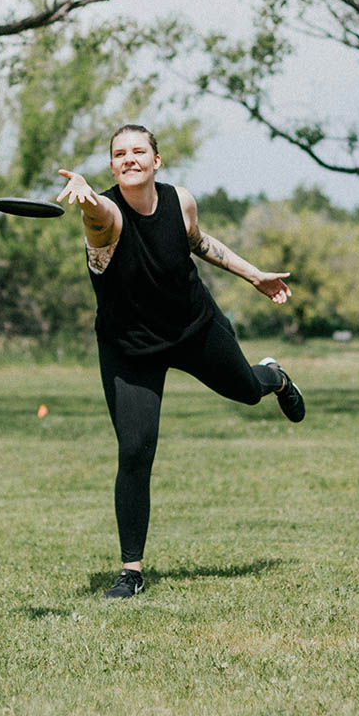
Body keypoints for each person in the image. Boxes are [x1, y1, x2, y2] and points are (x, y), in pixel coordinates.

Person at [56, 124, 304, 600]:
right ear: (111, 166)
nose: (129, 159)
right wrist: (85, 196)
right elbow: (99, 215)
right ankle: (131, 571)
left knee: (247, 391)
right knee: (135, 449)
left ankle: (274, 376)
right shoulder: (104, 216)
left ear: (156, 160)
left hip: (195, 328)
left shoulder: (180, 200)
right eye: (119, 154)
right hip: (130, 348)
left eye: (138, 151)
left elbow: (196, 239)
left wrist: (254, 275)